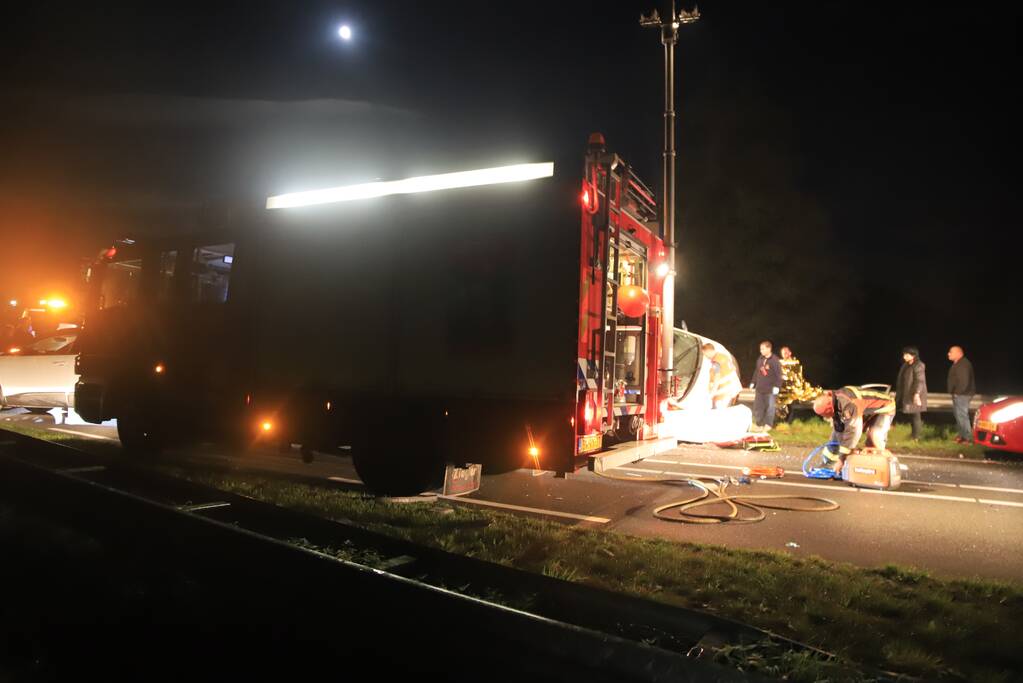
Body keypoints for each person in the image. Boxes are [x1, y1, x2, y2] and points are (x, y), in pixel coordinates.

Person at [812, 386, 896, 472]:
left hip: (885, 407)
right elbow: (839, 431)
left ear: (830, 409)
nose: (825, 418)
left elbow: (853, 432)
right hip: (867, 409)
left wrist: (841, 459)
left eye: (824, 415)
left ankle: (881, 467)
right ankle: (829, 464)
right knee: (838, 434)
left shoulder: (848, 405)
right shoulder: (835, 401)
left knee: (874, 436)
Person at [776, 346, 821, 423]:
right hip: (782, 389)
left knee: (791, 400)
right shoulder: (780, 363)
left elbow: (797, 377)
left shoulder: (795, 363)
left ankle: (786, 419)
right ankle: (781, 418)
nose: (785, 354)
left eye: (786, 352)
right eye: (783, 353)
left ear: (790, 353)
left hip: (793, 389)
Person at [748, 340, 783, 431]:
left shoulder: (775, 360)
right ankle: (759, 424)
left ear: (769, 348)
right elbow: (757, 371)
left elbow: (779, 374)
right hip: (760, 388)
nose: (761, 351)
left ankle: (768, 424)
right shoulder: (760, 359)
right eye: (760, 349)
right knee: (758, 407)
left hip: (770, 389)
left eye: (763, 349)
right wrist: (753, 382)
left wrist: (777, 386)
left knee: (770, 407)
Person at [895, 346, 928, 440]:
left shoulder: (919, 365)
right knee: (911, 415)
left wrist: (917, 393)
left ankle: (916, 436)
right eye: (904, 354)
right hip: (906, 394)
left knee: (916, 415)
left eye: (906, 354)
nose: (904, 356)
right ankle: (913, 435)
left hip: (915, 394)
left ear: (913, 355)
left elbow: (920, 381)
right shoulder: (906, 365)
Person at [947, 345, 976, 444]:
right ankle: (962, 436)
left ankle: (967, 438)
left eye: (951, 352)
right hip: (959, 394)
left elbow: (964, 381)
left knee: (962, 416)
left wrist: (957, 393)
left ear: (959, 353)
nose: (948, 354)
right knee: (958, 415)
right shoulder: (958, 363)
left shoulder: (963, 364)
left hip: (962, 395)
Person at [702, 343, 742, 409]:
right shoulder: (724, 356)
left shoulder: (716, 361)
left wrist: (713, 392)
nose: (705, 356)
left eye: (705, 354)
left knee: (718, 410)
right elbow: (733, 368)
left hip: (723, 390)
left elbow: (717, 377)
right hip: (731, 387)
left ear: (708, 351)